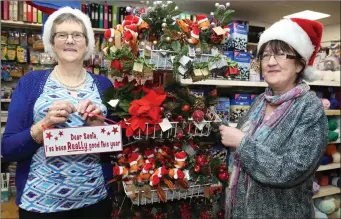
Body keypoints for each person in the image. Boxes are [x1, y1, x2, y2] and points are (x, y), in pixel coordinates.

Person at [1, 7, 114, 219]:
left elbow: (121, 143)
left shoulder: (104, 85)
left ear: (87, 43)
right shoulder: (30, 83)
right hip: (40, 204)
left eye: (77, 35)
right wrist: (42, 127)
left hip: (95, 201)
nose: (70, 40)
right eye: (62, 35)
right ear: (52, 42)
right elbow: (7, 149)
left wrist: (101, 127)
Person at [219, 18, 328, 219]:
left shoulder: (309, 108)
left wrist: (241, 143)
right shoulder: (260, 101)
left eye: (279, 54)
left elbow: (292, 170)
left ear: (299, 65)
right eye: (266, 55)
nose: (270, 62)